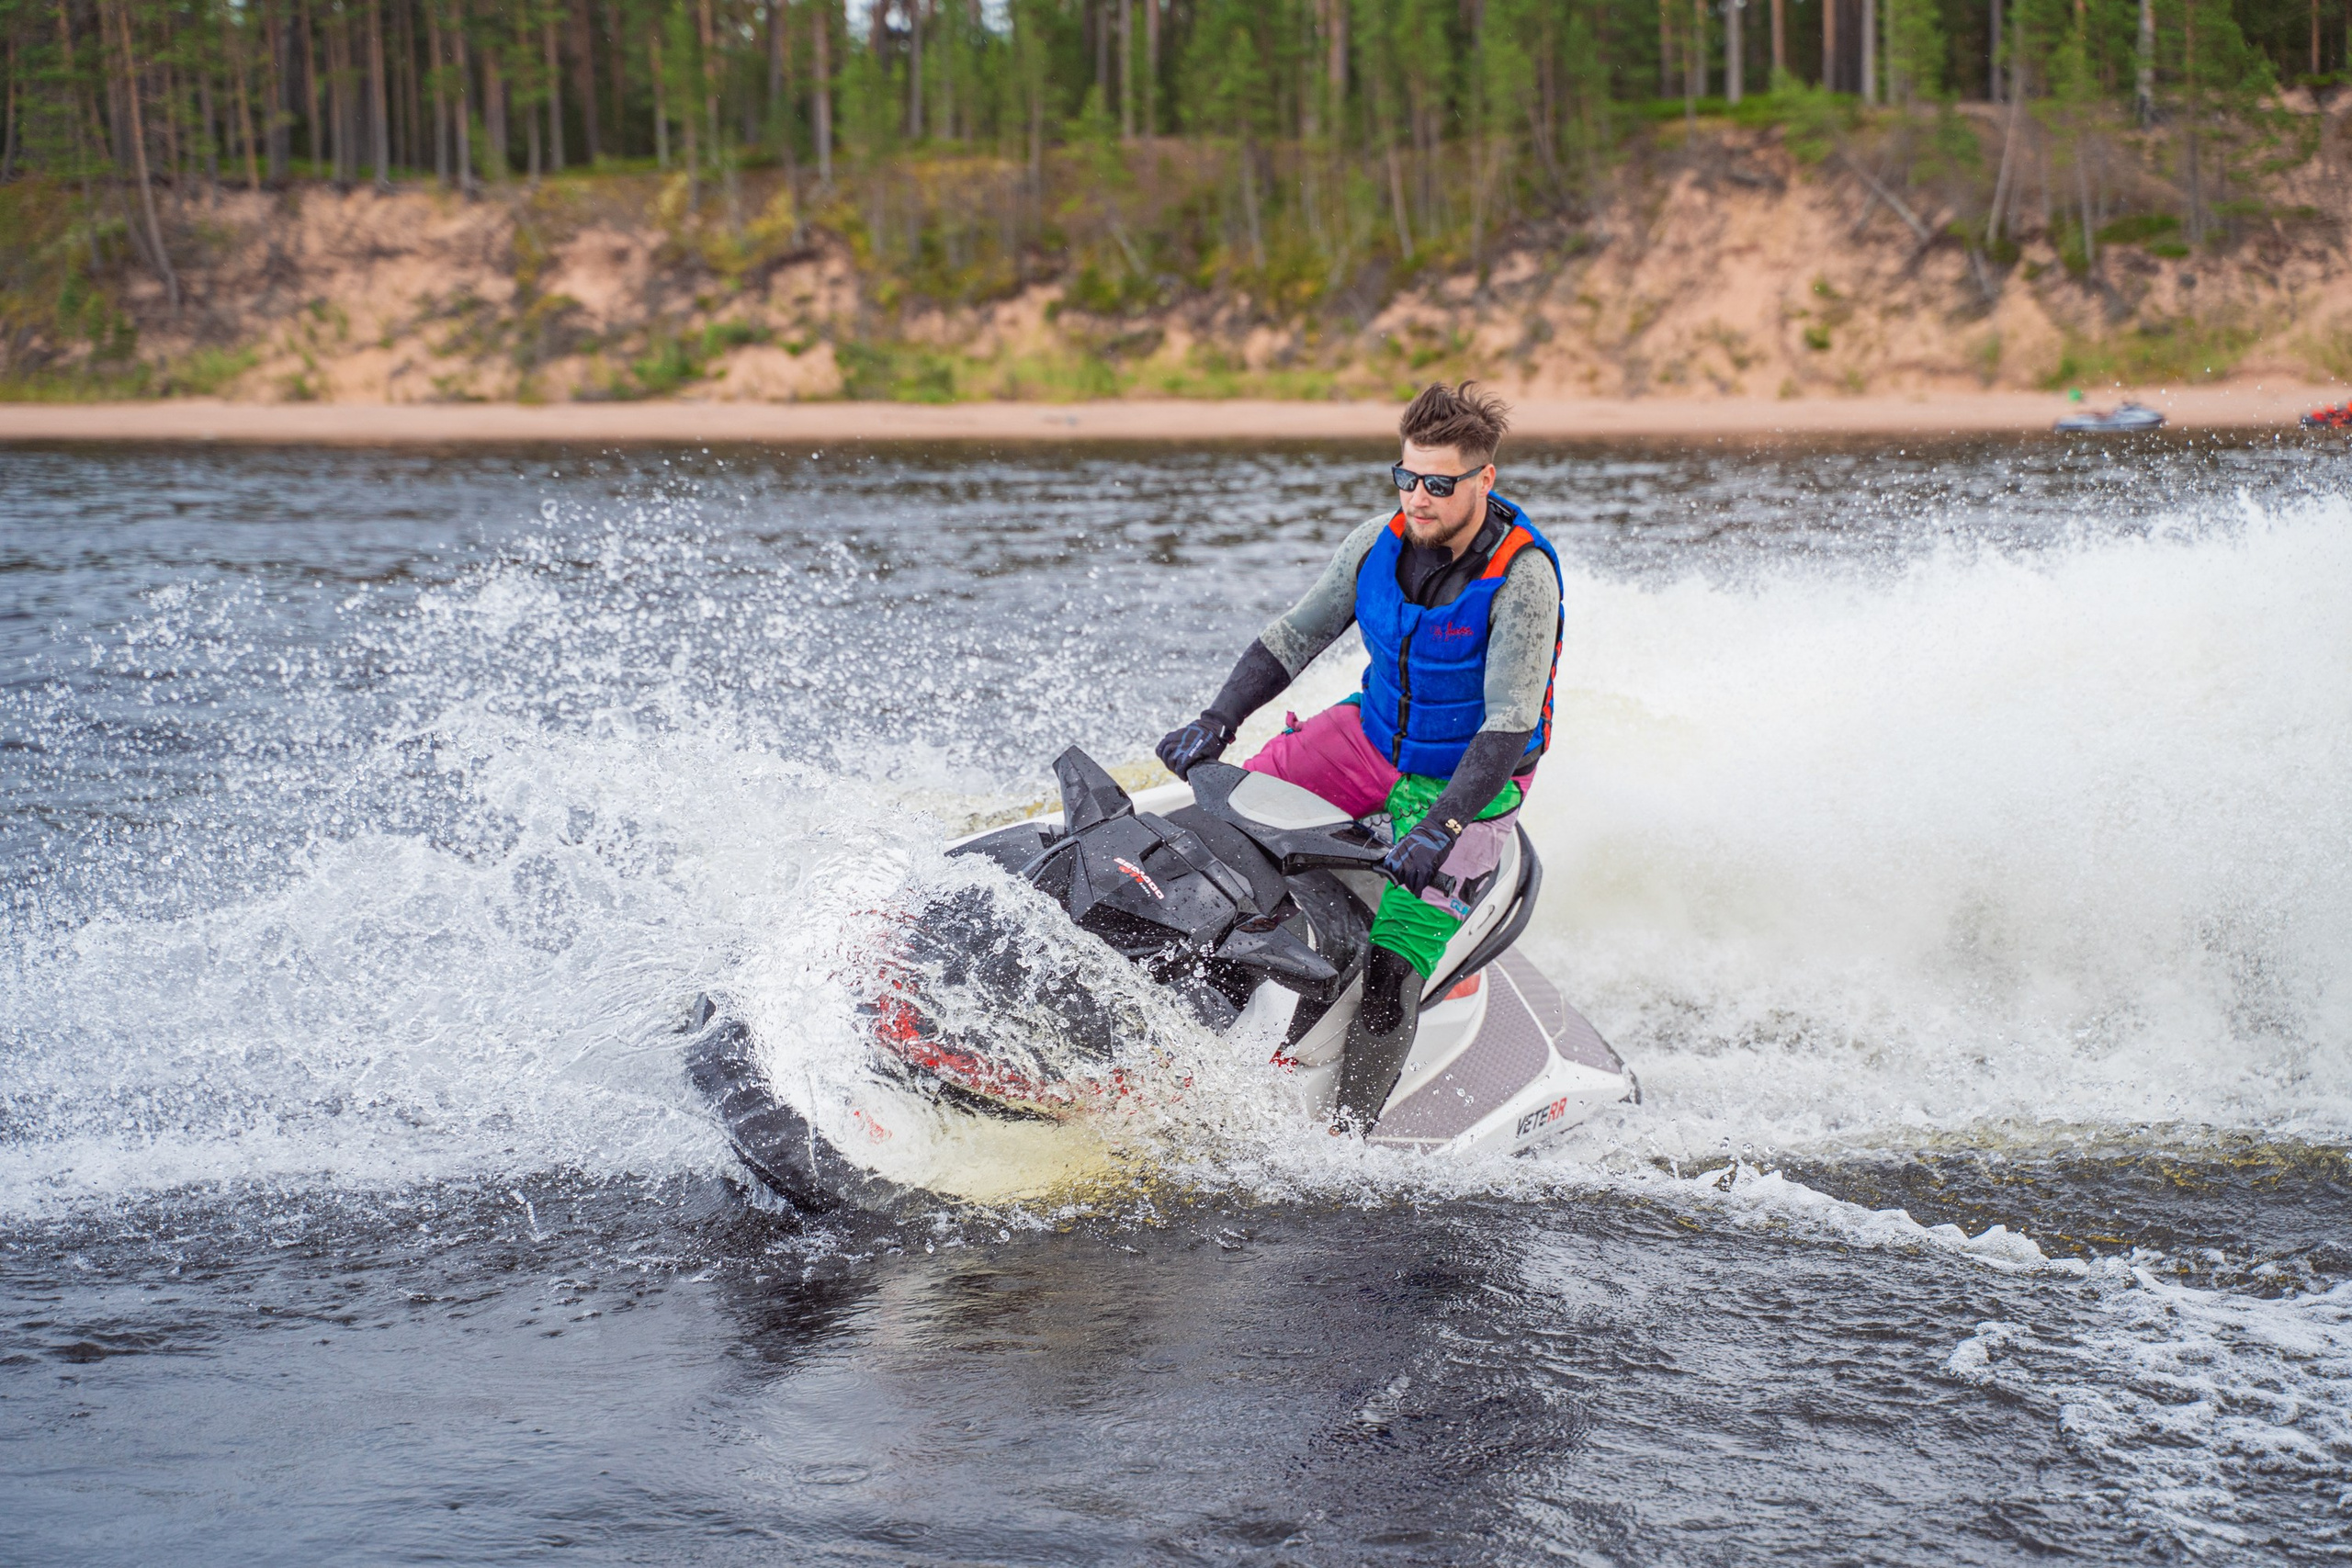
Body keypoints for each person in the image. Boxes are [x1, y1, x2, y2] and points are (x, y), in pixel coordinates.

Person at [1154, 382, 1564, 1132]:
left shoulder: (1524, 580)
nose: (1419, 497)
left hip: (1464, 780)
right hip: (1366, 739)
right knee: (1212, 828)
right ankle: (1175, 1017)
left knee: (1390, 972)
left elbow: (1507, 729)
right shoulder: (1374, 542)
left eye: (1440, 484)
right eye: (1406, 477)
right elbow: (1293, 637)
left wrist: (1440, 827)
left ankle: (1347, 1145)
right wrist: (1217, 720)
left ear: (1485, 480)